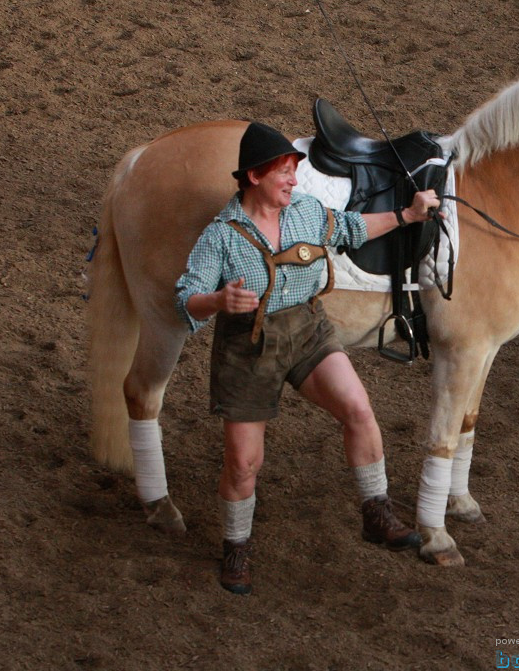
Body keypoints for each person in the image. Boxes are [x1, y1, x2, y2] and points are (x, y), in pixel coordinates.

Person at [174, 121, 441, 595]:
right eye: (284, 172)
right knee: (243, 465)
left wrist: (408, 215)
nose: (294, 180)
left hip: (308, 328)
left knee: (358, 410)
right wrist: (217, 302)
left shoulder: (305, 211)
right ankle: (236, 547)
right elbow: (186, 297)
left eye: (294, 172)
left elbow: (353, 228)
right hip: (248, 347)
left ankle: (376, 512)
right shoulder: (222, 235)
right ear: (254, 177)